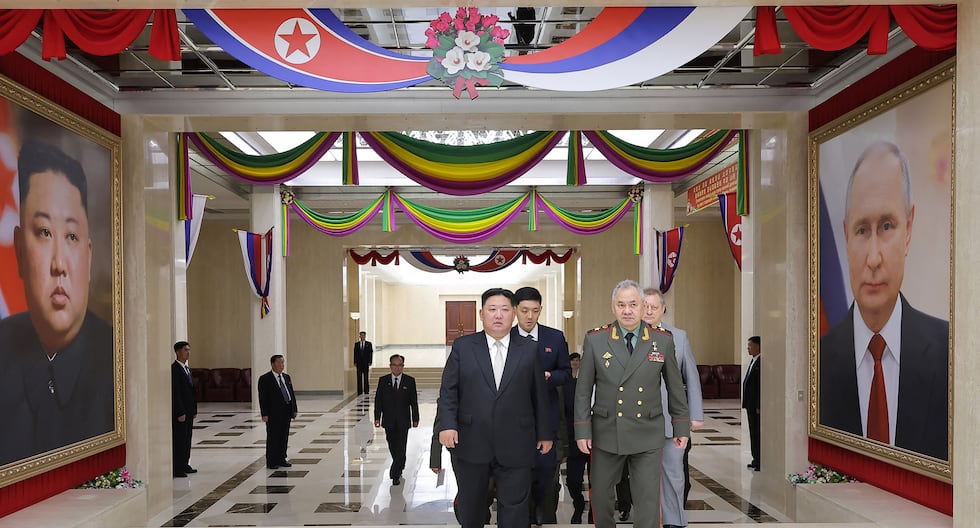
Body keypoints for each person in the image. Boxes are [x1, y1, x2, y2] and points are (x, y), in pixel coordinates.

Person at [819, 141, 949, 461]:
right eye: (863, 230)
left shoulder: (951, 354)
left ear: (908, 229)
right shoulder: (816, 362)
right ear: (846, 236)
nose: (874, 258)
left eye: (887, 226)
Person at [0, 140, 113, 466]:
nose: (59, 263)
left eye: (72, 237)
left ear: (88, 256)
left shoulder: (115, 358)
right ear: (19, 250)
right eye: (45, 232)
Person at [574, 279, 689, 528]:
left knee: (647, 500)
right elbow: (583, 390)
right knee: (602, 497)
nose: (627, 310)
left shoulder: (662, 340)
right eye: (621, 305)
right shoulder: (596, 339)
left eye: (633, 304)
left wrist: (681, 426)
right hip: (606, 430)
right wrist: (582, 429)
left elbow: (675, 387)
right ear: (613, 307)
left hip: (647, 430)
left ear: (642, 307)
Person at [438, 287, 552, 528]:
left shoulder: (529, 349)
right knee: (472, 509)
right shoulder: (463, 346)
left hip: (517, 442)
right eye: (492, 309)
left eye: (504, 310)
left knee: (515, 510)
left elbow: (539, 395)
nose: (498, 315)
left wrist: (544, 433)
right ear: (481, 314)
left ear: (513, 314)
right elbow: (449, 391)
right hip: (472, 442)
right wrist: (447, 425)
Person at [640, 288, 704, 528]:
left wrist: (695, 415)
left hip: (671, 420)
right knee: (642, 477)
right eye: (644, 306)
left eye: (653, 307)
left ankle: (673, 522)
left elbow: (692, 376)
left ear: (663, 309)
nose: (648, 311)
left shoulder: (678, 337)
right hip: (637, 422)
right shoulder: (628, 337)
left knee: (674, 474)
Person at [510, 286, 571, 525]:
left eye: (535, 311)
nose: (529, 316)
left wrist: (549, 377)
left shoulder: (554, 337)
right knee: (518, 475)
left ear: (540, 310)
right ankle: (523, 515)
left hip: (548, 419)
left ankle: (543, 512)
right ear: (515, 311)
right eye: (524, 310)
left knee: (547, 473)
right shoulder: (507, 338)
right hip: (515, 422)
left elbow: (566, 373)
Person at [374, 354, 419, 486]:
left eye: (400, 365)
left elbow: (413, 402)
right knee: (392, 446)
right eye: (394, 365)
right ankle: (400, 463)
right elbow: (379, 401)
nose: (397, 368)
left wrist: (415, 418)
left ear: (403, 366)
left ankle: (395, 473)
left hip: (403, 420)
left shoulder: (409, 381)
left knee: (401, 446)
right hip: (388, 420)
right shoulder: (383, 380)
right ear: (390, 366)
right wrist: (377, 417)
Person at [562, 352, 591, 524]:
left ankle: (594, 514)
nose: (575, 362)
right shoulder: (565, 383)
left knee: (598, 482)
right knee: (573, 480)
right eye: (572, 360)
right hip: (573, 438)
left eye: (577, 360)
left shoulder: (589, 381)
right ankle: (578, 504)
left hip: (593, 438)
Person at [258, 354, 298, 469]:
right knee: (273, 437)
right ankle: (271, 461)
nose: (282, 365)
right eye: (279, 363)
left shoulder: (286, 377)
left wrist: (294, 409)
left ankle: (281, 458)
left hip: (286, 412)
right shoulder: (265, 379)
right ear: (273, 364)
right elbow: (262, 398)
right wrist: (264, 413)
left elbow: (291, 394)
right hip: (273, 414)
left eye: (283, 362)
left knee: (283, 436)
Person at [171, 341, 197, 478]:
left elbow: (191, 392)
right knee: (179, 440)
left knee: (187, 438)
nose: (188, 352)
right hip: (181, 413)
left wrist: (193, 410)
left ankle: (185, 464)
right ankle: (177, 467)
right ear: (178, 352)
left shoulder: (186, 369)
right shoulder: (174, 369)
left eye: (189, 349)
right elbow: (176, 393)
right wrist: (180, 412)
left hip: (189, 411)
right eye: (186, 350)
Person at [742, 336, 761, 471]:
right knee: (752, 432)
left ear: (758, 346)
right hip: (750, 404)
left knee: (757, 433)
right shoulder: (753, 361)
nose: (748, 348)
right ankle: (755, 458)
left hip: (755, 406)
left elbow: (760, 386)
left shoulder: (761, 362)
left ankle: (760, 459)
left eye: (750, 345)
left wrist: (759, 405)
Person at [353, 331, 373, 395]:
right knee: (359, 377)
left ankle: (366, 390)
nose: (362, 336)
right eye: (361, 335)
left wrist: (370, 361)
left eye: (363, 335)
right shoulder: (357, 344)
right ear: (360, 336)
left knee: (366, 377)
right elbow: (355, 354)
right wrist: (355, 361)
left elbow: (370, 353)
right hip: (359, 363)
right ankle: (359, 391)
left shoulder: (369, 344)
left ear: (365, 336)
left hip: (366, 363)